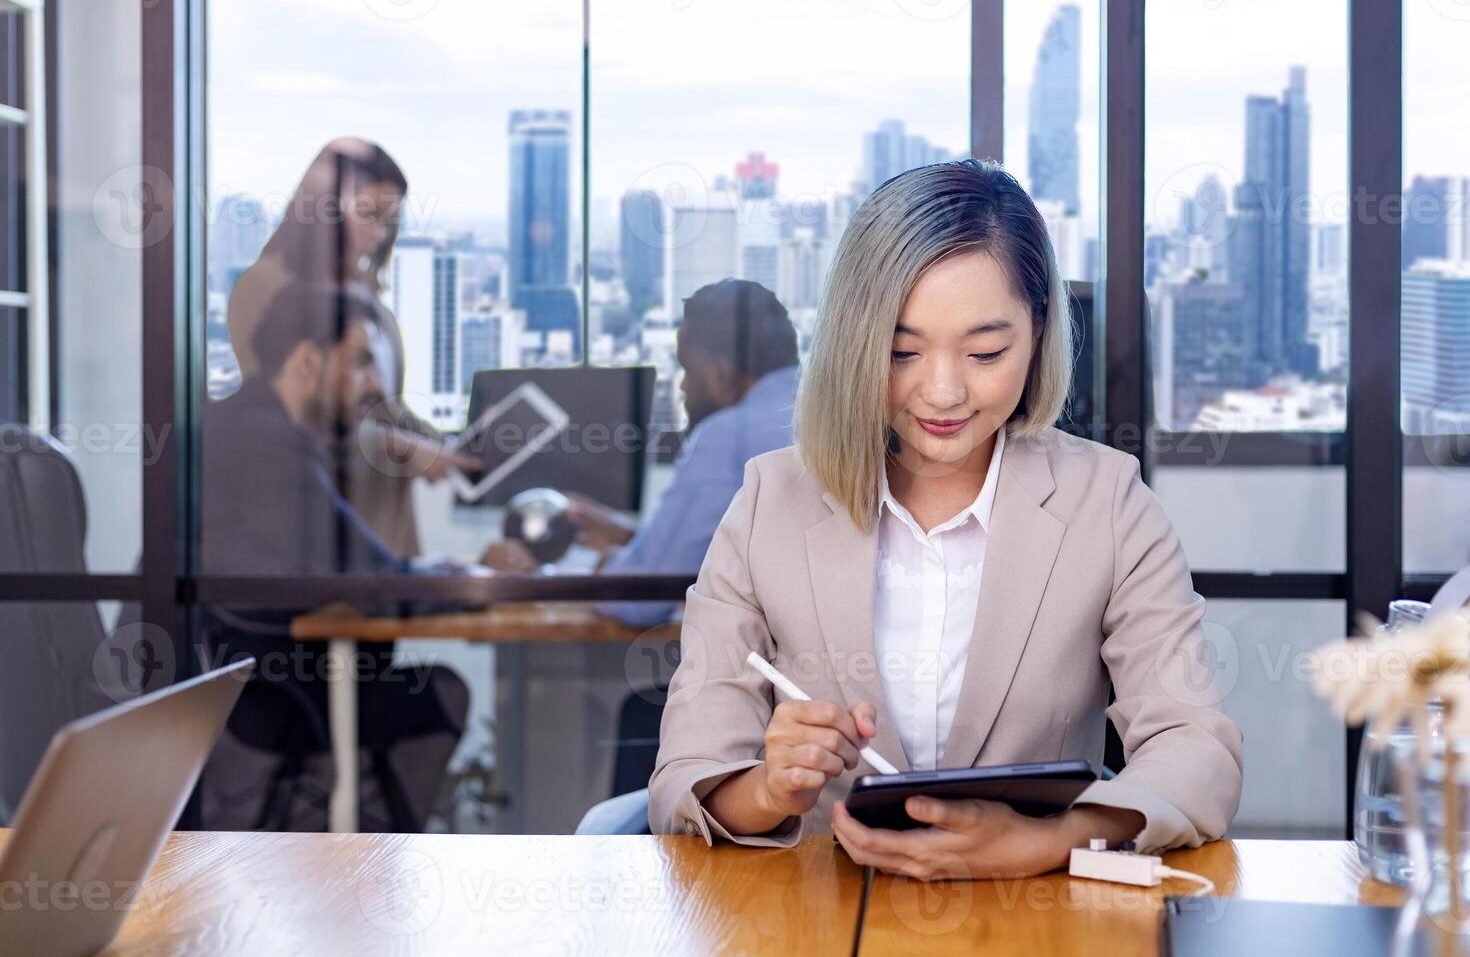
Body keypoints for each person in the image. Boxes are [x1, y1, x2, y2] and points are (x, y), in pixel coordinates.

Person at [648, 160, 1243, 878]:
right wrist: (769, 789)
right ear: (854, 341)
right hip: (818, 915)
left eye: (986, 351)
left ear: (1040, 330)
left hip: (1035, 919)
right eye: (901, 351)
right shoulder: (769, 502)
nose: (942, 390)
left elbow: (1197, 749)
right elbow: (684, 778)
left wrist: (1048, 841)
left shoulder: (1108, 502)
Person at [202, 283, 532, 830]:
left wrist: (446, 572)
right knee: (440, 694)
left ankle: (357, 855)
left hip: (243, 678)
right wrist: (475, 579)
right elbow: (371, 579)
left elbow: (359, 568)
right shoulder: (268, 444)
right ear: (308, 359)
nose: (374, 384)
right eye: (358, 363)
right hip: (265, 699)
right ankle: (373, 863)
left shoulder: (239, 426)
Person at [226, 137, 474, 558]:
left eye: (389, 221)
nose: (378, 235)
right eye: (369, 214)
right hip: (315, 526)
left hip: (384, 525)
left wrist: (444, 446)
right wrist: (404, 449)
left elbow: (384, 405)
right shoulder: (265, 288)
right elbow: (282, 419)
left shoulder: (364, 292)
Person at [561, 278, 801, 628]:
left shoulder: (726, 435)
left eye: (688, 370)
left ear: (719, 373)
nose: (685, 387)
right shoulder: (841, 415)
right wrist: (634, 540)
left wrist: (600, 565)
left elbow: (642, 597)